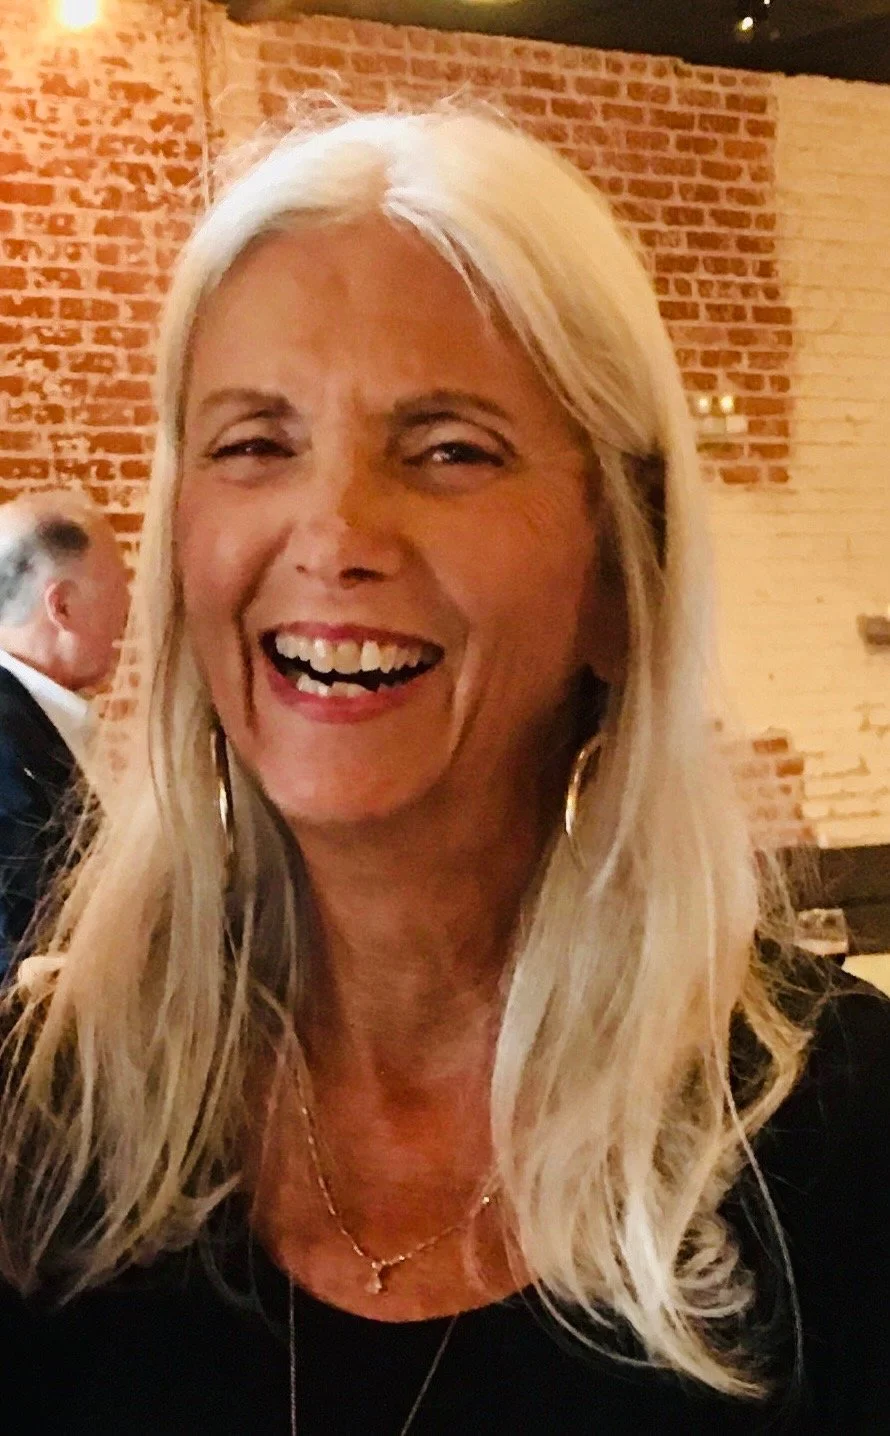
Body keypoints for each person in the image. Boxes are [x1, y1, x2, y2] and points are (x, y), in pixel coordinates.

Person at [0, 109, 887, 1434]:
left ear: (619, 576)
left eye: (450, 449)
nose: (335, 533)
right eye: (255, 442)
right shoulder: (43, 1125)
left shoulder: (844, 1147)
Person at [0, 491, 128, 977]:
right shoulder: (7, 745)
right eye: (117, 586)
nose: (127, 609)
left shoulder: (30, 718)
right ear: (65, 607)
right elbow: (25, 961)